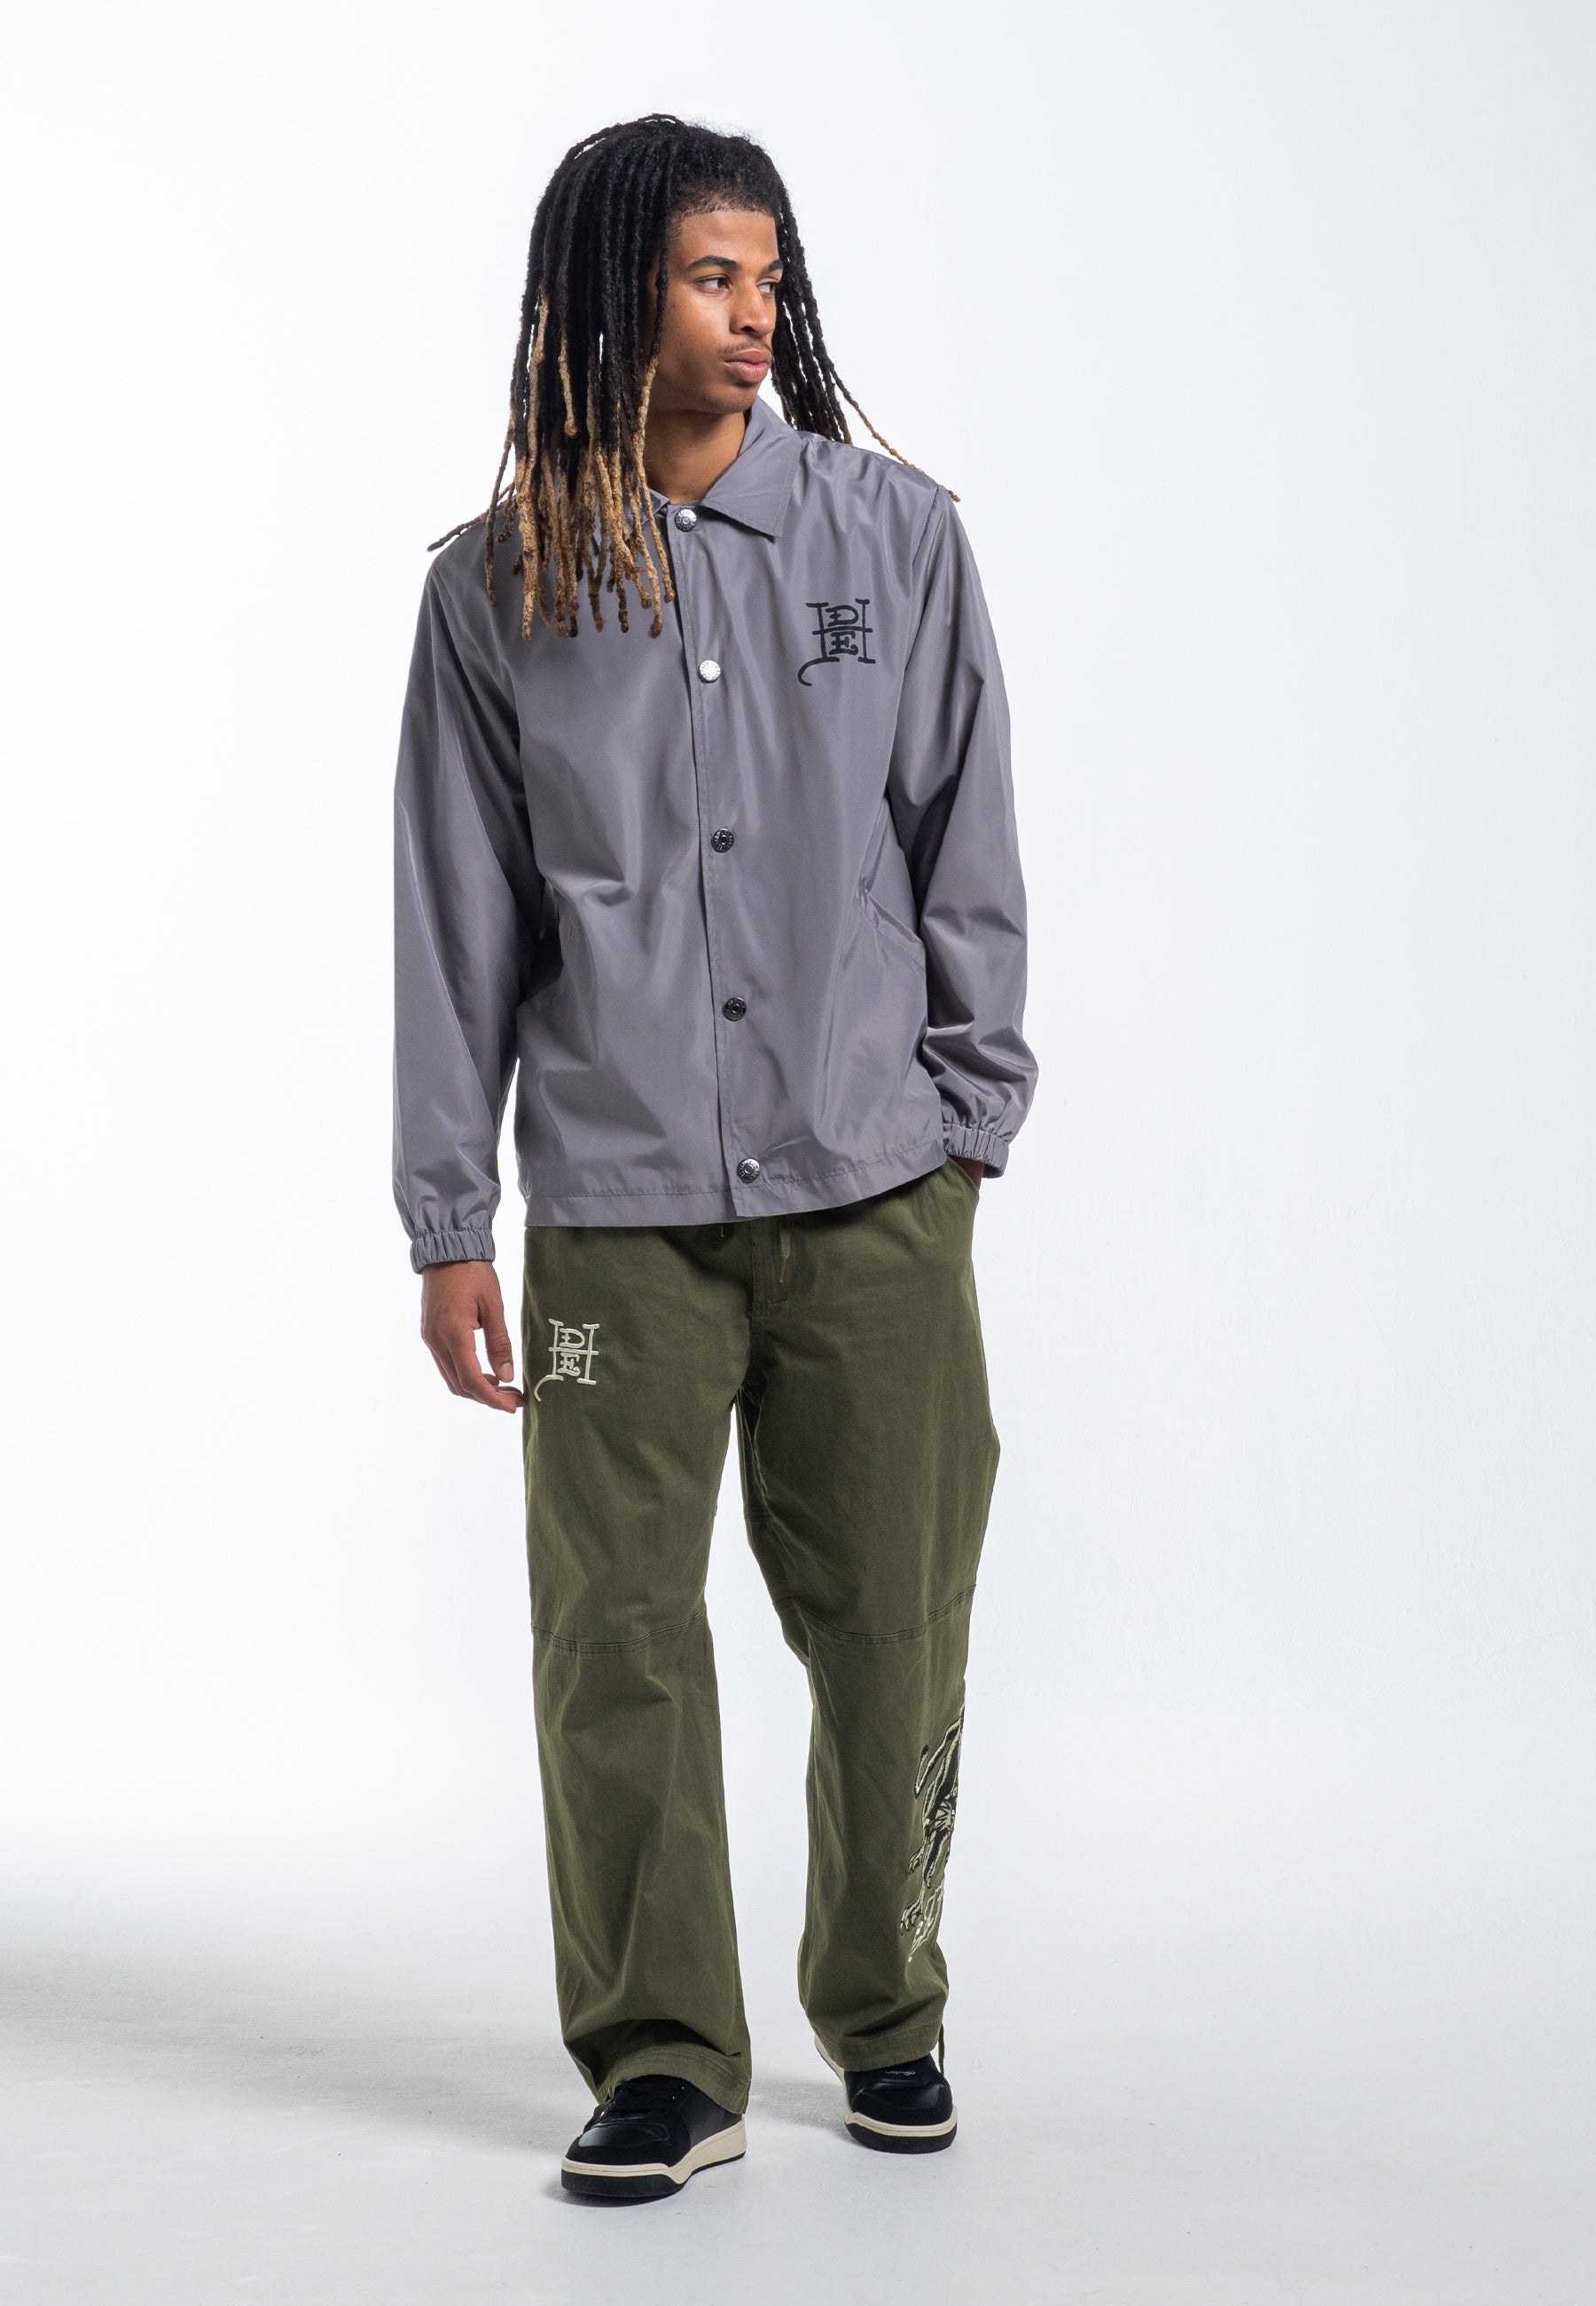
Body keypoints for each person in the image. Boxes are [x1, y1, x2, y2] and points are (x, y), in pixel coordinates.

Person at [393, 114, 1037, 2202]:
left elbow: (965, 836)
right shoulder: (497, 592)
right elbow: (456, 918)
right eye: (708, 279)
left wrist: (967, 1122)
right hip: (615, 1230)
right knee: (613, 1633)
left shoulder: (893, 540)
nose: (754, 318)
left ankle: (890, 2003)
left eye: (768, 279)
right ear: (612, 295)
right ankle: (666, 2056)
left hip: (876, 1199)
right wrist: (450, 1219)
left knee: (897, 1623)